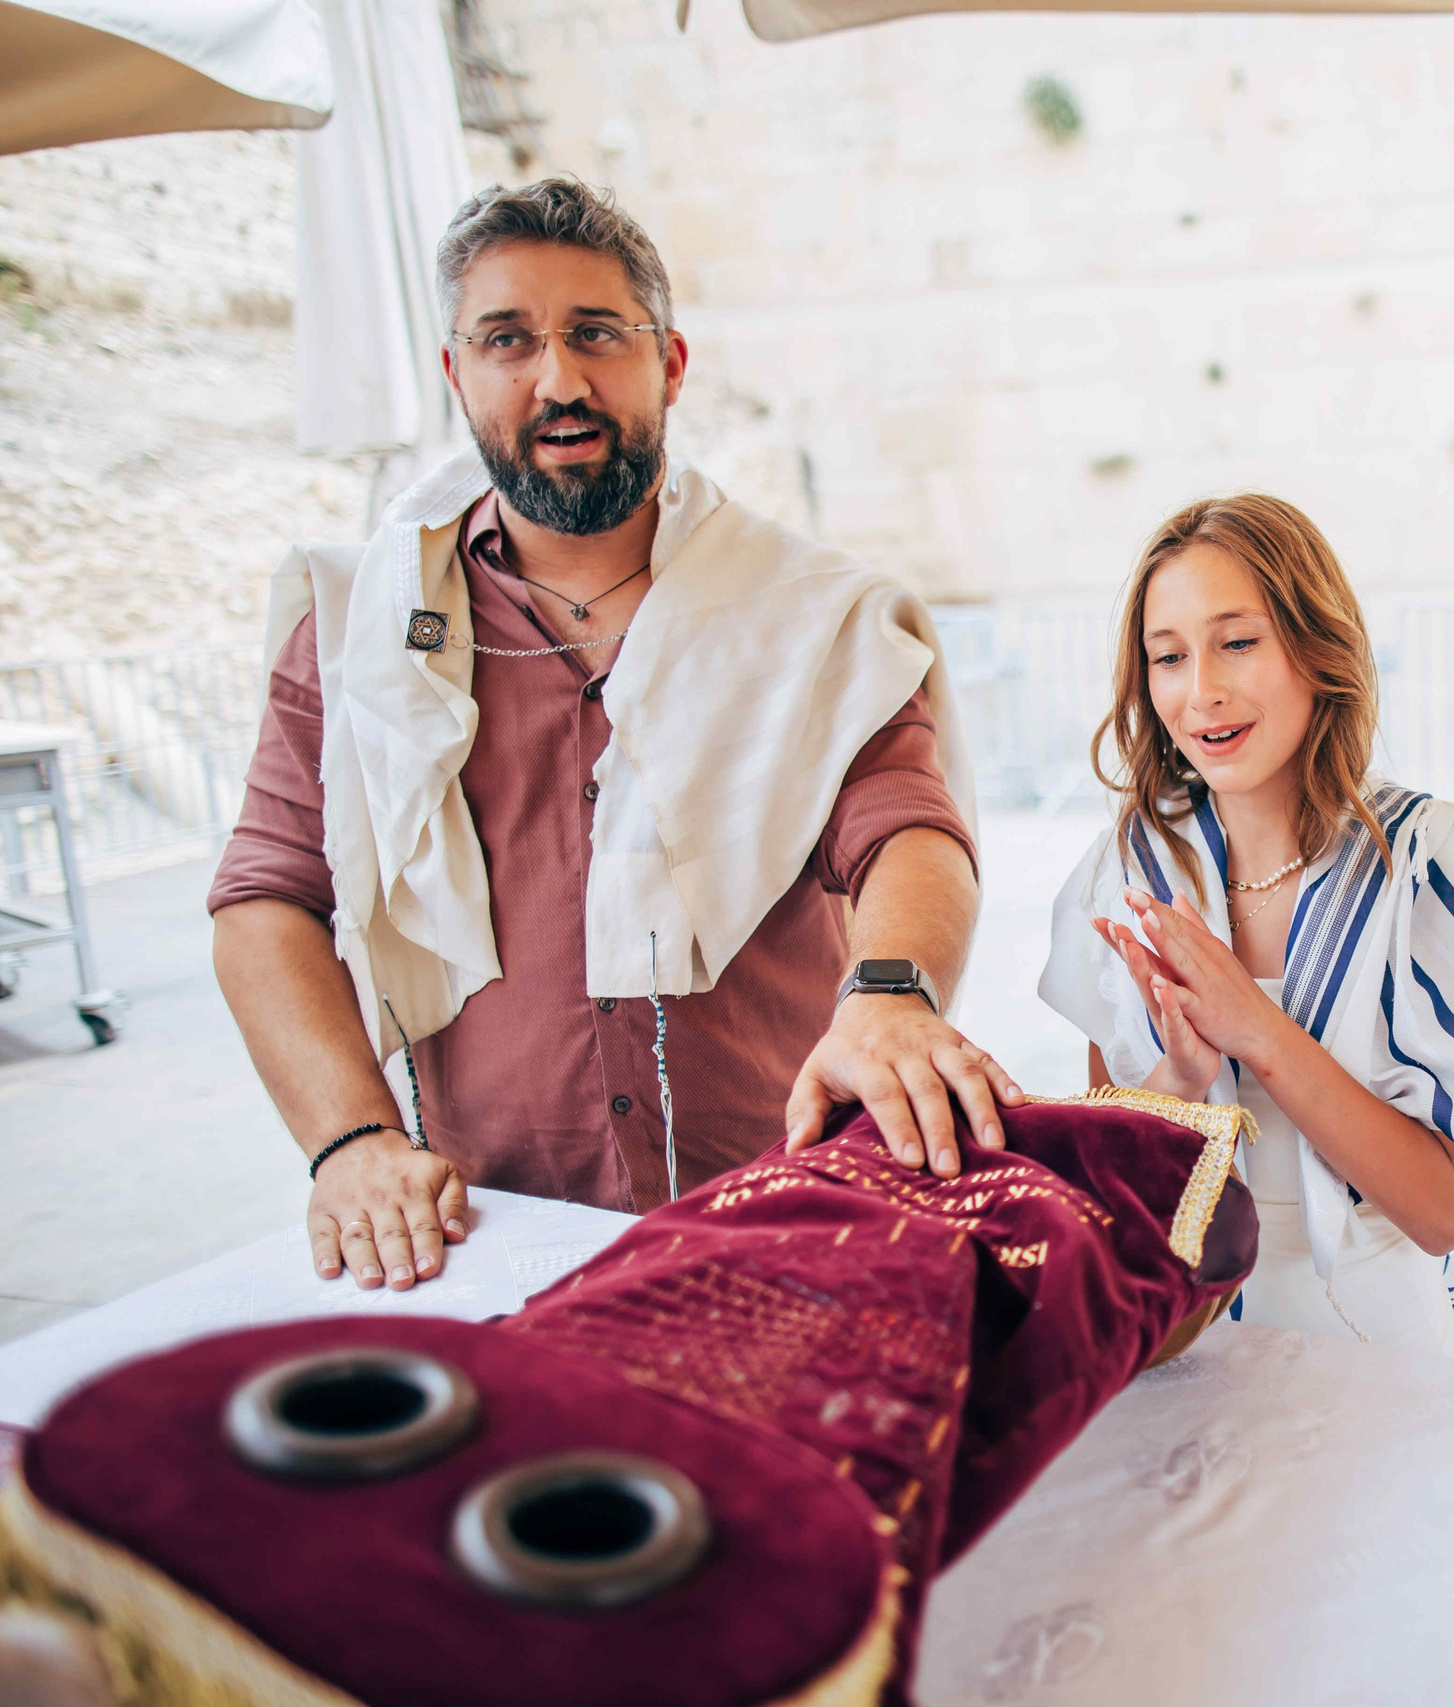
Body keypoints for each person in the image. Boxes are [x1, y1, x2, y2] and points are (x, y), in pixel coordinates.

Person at [210, 178, 1022, 1295]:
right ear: (457, 376)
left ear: (670, 364)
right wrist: (351, 1142)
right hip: (486, 1240)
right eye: (508, 340)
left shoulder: (813, 615)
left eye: (597, 333)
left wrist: (890, 995)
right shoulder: (357, 627)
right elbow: (269, 894)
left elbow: (905, 831)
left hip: (787, 1212)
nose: (559, 380)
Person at [1039, 495, 1454, 1365]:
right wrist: (1176, 1077)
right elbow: (1113, 1188)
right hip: (1185, 1343)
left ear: (1316, 648)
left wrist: (1261, 1032)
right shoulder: (1129, 869)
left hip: (1377, 1352)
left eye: (1237, 642)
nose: (1200, 688)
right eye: (1168, 657)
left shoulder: (1428, 867)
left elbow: (1443, 1213)